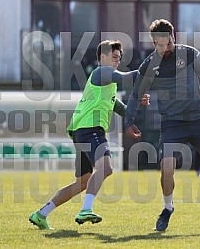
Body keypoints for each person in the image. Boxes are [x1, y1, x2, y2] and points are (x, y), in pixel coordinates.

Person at [29, 40, 149, 230]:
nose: (117, 61)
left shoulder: (108, 82)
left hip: (81, 132)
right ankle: (86, 210)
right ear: (102, 57)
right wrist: (149, 66)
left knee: (83, 182)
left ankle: (41, 214)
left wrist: (135, 107)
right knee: (106, 168)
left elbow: (119, 107)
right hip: (90, 129)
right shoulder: (103, 72)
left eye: (119, 58)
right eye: (114, 57)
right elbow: (127, 77)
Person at [125, 19, 200, 232]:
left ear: (173, 38)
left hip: (199, 120)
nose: (162, 48)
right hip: (172, 124)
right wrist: (128, 121)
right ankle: (167, 207)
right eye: (157, 44)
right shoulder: (149, 64)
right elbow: (136, 94)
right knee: (166, 168)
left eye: (165, 43)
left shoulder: (190, 54)